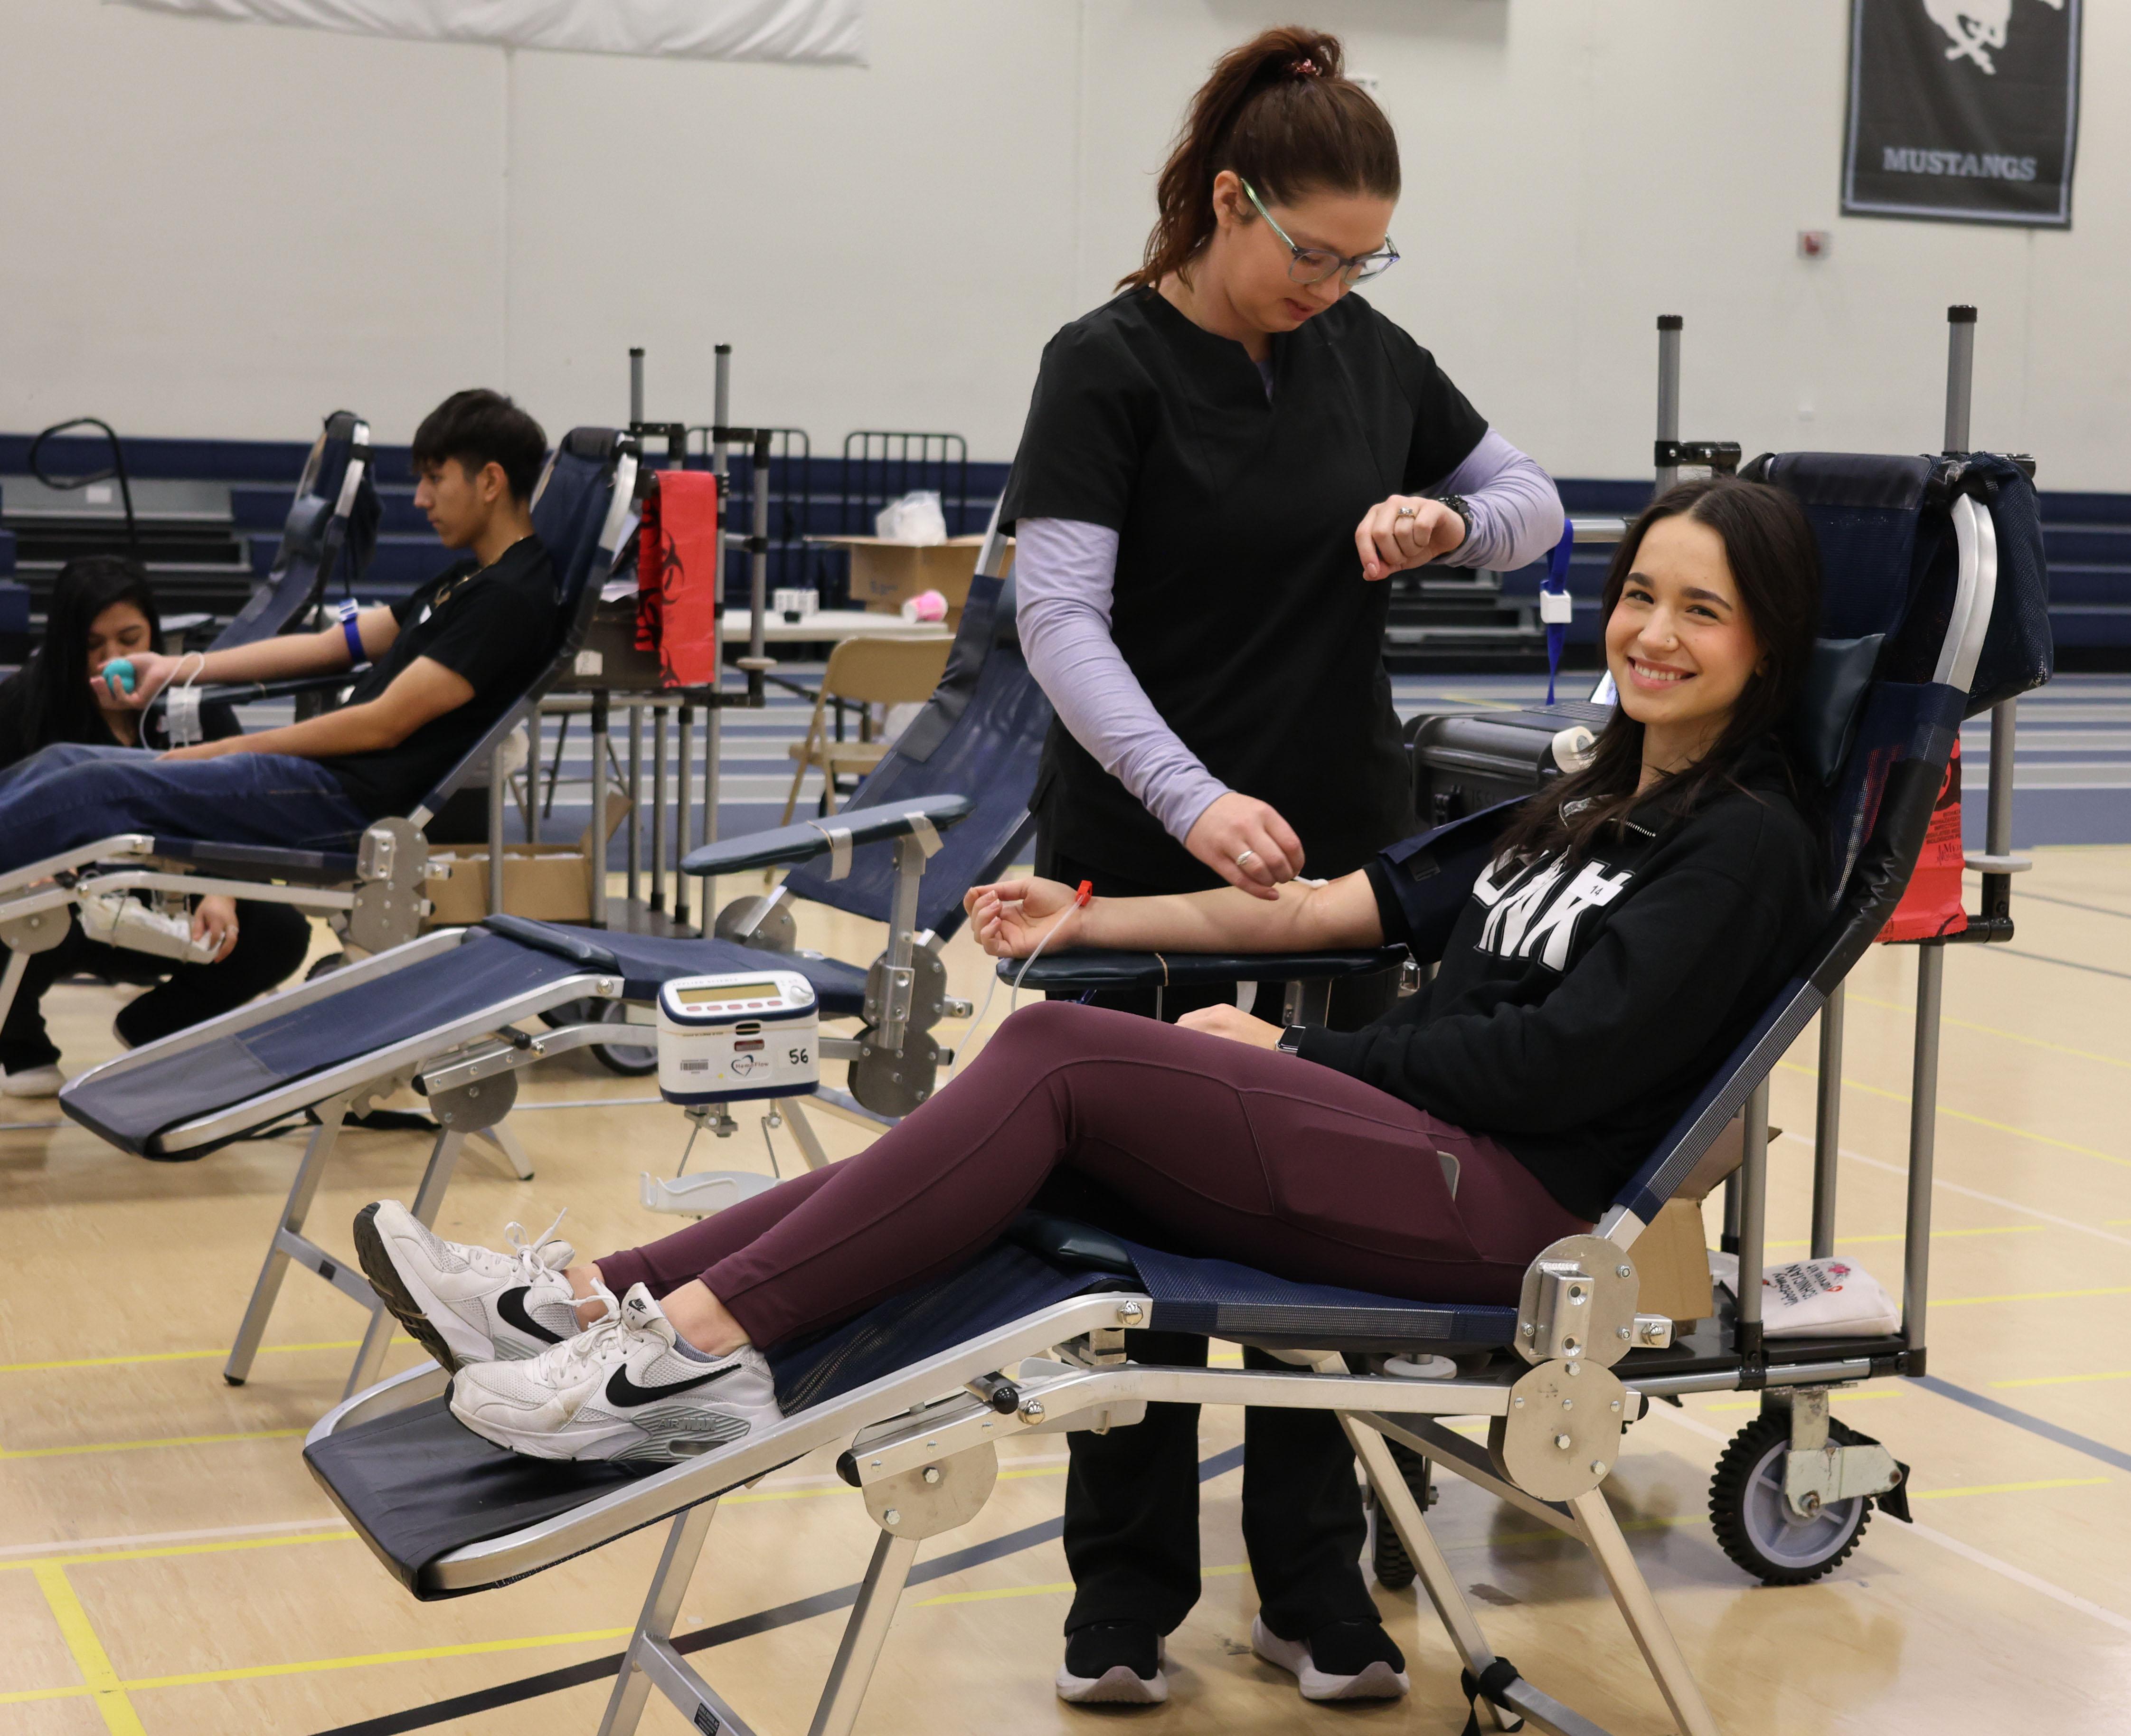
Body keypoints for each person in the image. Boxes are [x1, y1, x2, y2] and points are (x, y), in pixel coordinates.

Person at [357, 478, 1827, 1706]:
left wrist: (1299, 1060)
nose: (1654, 632)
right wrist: (1096, 916)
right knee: (1011, 1129)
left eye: (1702, 610)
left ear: (1767, 646)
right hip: (1417, 1147)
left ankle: (681, 1352)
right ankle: (597, 1305)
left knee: (1058, 1060)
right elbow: (1337, 910)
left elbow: (1563, 1063)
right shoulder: (1577, 800)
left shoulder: (1746, 844)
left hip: (1508, 1211)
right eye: (1641, 594)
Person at [999, 26, 1564, 1703]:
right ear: (1227, 202)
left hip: (1334, 861)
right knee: (1127, 1224)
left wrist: (1452, 524)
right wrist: (1186, 799)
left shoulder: (1370, 356)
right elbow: (1057, 620)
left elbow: (1532, 502)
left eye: (1362, 259)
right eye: (1311, 252)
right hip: (1136, 856)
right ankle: (1120, 1590)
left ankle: (1310, 1580)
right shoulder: (1103, 365)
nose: (1332, 285)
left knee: (1323, 1217)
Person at [0, 389, 556, 873]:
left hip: (342, 804)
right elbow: (333, 645)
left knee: (92, 789)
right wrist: (175, 668)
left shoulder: (507, 598)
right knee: (63, 762)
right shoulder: (468, 577)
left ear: (490, 481)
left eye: (435, 478)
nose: (420, 498)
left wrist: (221, 750)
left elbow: (382, 725)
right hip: (315, 782)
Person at [0, 556, 310, 1096]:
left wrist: (221, 889)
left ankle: (155, 1027)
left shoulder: (195, 704)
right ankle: (20, 1043)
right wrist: (29, 870)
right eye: (93, 645)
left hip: (173, 903)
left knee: (281, 932)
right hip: (67, 910)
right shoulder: (21, 705)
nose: (113, 660)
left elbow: (243, 812)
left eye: (130, 639)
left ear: (153, 634)